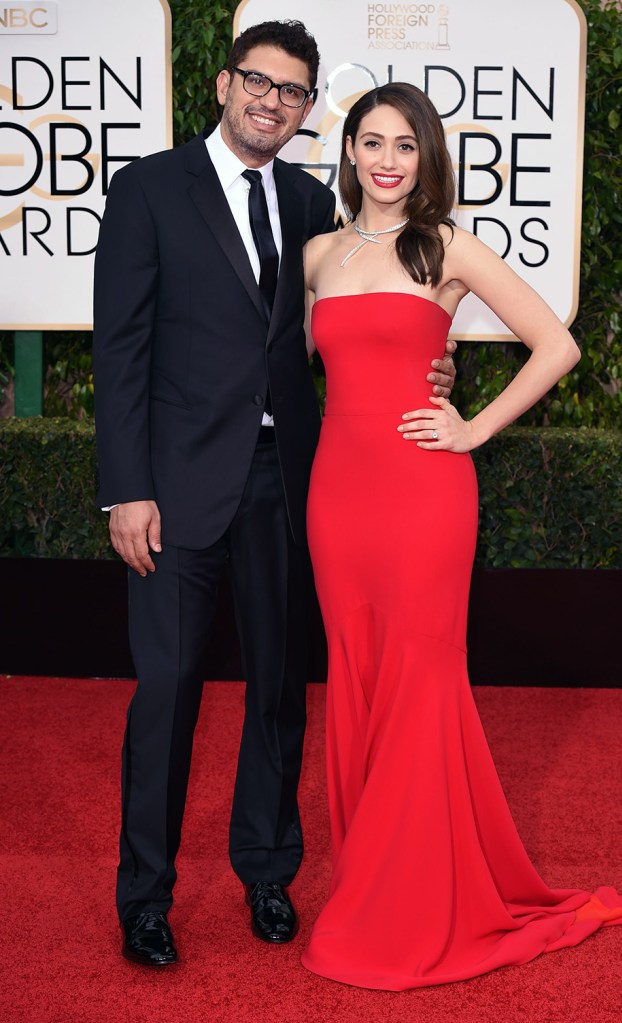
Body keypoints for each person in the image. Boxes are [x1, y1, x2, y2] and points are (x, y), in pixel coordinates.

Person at [93, 24, 455, 967]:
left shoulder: (311, 207)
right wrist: (125, 489)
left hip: (293, 483)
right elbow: (120, 353)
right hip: (172, 490)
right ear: (224, 83)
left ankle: (267, 871)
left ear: (305, 113)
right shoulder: (146, 190)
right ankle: (146, 897)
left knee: (278, 692)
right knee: (168, 692)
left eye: (293, 93)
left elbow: (365, 320)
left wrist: (437, 369)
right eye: (259, 82)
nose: (273, 102)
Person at [300, 82, 622, 990]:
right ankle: (370, 881)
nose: (386, 159)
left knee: (419, 680)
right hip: (337, 499)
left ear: (426, 159)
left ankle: (408, 904)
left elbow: (556, 343)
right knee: (358, 677)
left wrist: (473, 425)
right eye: (371, 141)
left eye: (405, 145)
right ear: (346, 153)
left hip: (425, 493)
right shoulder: (318, 256)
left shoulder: (447, 246)